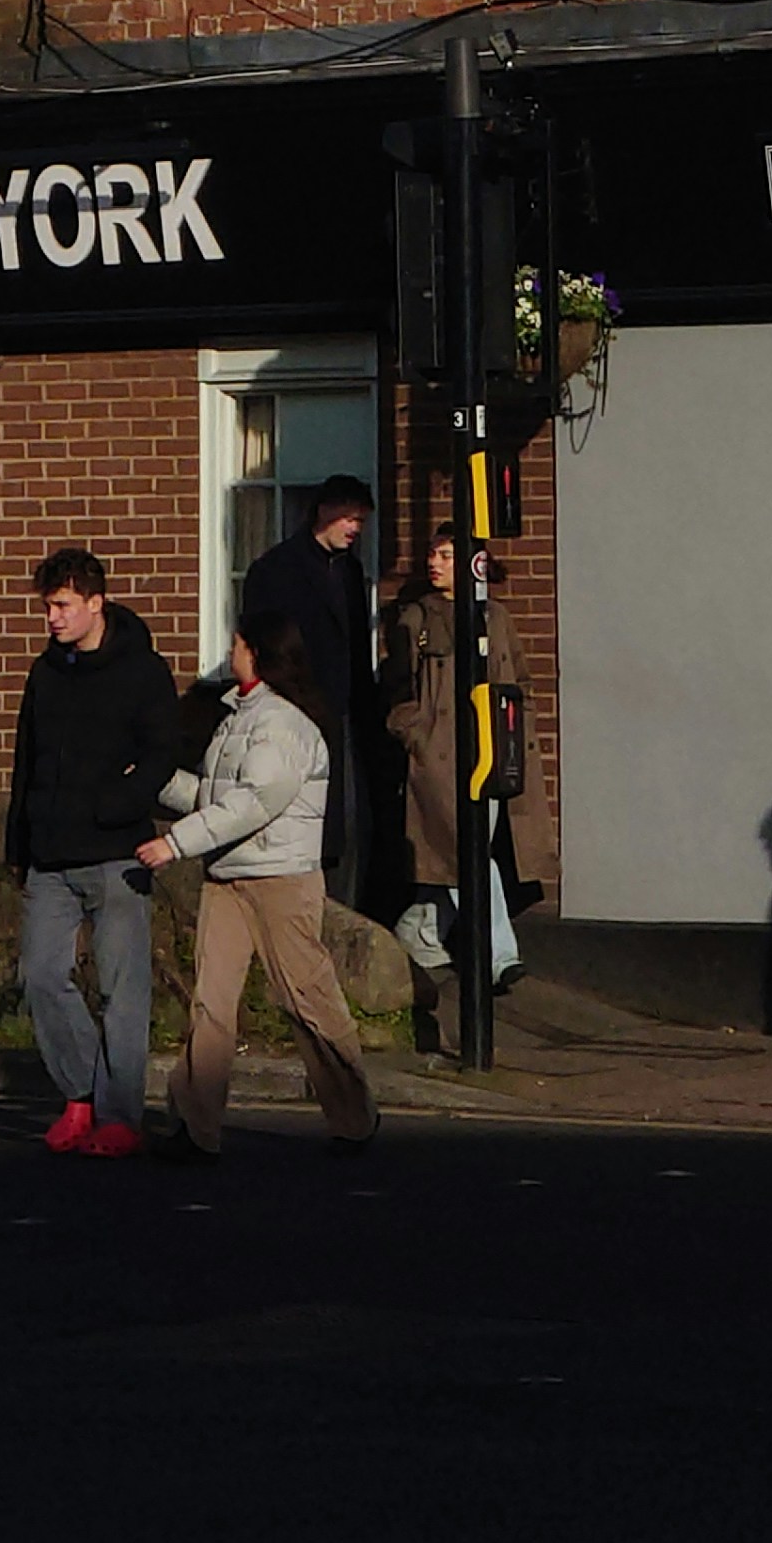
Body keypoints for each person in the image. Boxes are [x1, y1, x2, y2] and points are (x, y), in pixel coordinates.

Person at [136, 614, 375, 1155]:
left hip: (281, 880)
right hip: (227, 876)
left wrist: (175, 844)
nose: (229, 653)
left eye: (237, 645)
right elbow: (219, 800)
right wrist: (158, 780)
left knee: (305, 999)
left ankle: (354, 1114)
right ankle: (195, 1127)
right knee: (211, 1002)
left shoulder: (283, 725)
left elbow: (255, 802)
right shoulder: (235, 720)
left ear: (259, 654)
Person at [4, 545, 187, 1159]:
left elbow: (165, 751)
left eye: (62, 606)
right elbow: (25, 761)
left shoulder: (142, 672)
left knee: (122, 988)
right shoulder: (45, 673)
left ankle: (118, 1116)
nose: (52, 618)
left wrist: (119, 803)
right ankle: (81, 1092)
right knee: (41, 974)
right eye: (47, 607)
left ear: (95, 603)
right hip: (50, 853)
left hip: (116, 851)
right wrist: (19, 841)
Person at [385, 527, 559, 1024]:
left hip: (492, 754)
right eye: (432, 553)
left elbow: (518, 676)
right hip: (441, 758)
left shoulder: (495, 617)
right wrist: (413, 731)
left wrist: (516, 726)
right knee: (467, 853)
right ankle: (499, 955)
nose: (433, 563)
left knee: (458, 857)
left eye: (445, 555)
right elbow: (398, 686)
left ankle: (419, 934)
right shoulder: (416, 617)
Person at [238, 473, 380, 902]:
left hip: (344, 710)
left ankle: (346, 908)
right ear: (324, 512)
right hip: (298, 709)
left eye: (360, 521)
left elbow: (354, 646)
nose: (355, 528)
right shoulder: (275, 570)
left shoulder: (350, 573)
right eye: (348, 518)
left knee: (352, 824)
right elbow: (263, 642)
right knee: (317, 821)